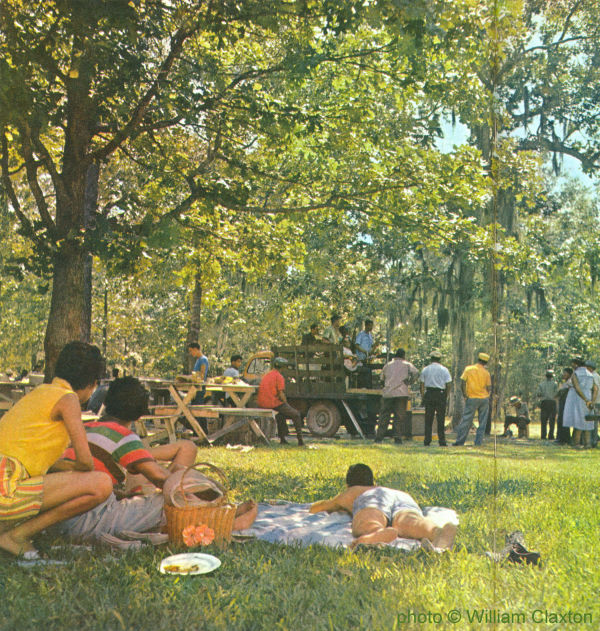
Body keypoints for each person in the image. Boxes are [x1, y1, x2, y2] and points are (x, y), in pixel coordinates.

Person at [0, 342, 112, 557]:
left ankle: (8, 530)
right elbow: (86, 462)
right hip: (6, 489)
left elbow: (36, 458)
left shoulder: (41, 392)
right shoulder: (68, 399)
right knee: (101, 483)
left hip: (6, 479)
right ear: (93, 383)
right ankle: (16, 536)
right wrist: (74, 471)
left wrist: (65, 470)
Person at [54, 376, 198, 540]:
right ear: (139, 415)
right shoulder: (124, 437)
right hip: (84, 522)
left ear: (106, 403)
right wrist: (199, 494)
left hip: (56, 519)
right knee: (170, 502)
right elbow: (162, 479)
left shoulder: (85, 428)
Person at [309, 463, 456, 550]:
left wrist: (337, 503)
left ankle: (376, 533)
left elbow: (318, 508)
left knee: (367, 522)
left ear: (348, 484)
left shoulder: (356, 491)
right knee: (409, 522)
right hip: (404, 498)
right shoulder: (388, 489)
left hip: (375, 498)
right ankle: (437, 532)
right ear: (373, 481)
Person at [257, 358, 304, 446]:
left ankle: (283, 439)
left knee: (281, 416)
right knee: (296, 414)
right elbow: (281, 394)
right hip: (272, 403)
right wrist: (286, 403)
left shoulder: (267, 375)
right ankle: (300, 441)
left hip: (262, 403)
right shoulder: (279, 376)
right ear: (282, 367)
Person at [375, 348, 418, 444]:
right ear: (403, 356)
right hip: (401, 393)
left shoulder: (387, 365)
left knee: (384, 416)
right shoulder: (407, 364)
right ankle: (397, 437)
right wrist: (410, 381)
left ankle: (379, 437)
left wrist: (385, 385)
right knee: (399, 416)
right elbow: (416, 373)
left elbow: (381, 378)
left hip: (388, 394)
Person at [453, 352, 492, 446]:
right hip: (484, 399)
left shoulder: (468, 369)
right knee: (482, 422)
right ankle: (478, 442)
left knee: (466, 420)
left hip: (472, 398)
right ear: (486, 362)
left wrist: (465, 395)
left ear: (478, 359)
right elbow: (489, 387)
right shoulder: (486, 373)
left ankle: (460, 441)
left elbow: (462, 382)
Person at [419, 350, 451, 446]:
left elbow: (422, 384)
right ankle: (442, 440)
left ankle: (427, 440)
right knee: (440, 419)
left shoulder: (425, 369)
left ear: (431, 359)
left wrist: (423, 395)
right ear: (439, 359)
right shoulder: (444, 369)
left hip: (429, 393)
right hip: (440, 394)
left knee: (428, 418)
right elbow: (448, 384)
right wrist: (446, 395)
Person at [563, 358, 597, 449]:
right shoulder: (590, 374)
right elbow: (595, 389)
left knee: (578, 420)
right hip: (589, 397)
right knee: (588, 420)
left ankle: (576, 443)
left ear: (576, 365)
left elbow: (577, 388)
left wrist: (585, 400)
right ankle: (588, 444)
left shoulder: (576, 374)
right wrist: (592, 401)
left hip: (579, 399)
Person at [536, 370, 557, 440]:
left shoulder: (541, 384)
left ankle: (543, 435)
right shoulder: (555, 384)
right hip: (552, 402)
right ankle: (551, 435)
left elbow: (538, 393)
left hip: (544, 402)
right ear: (552, 376)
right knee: (552, 420)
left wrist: (543, 395)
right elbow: (557, 394)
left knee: (544, 420)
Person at [555, 367, 573, 444]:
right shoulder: (564, 383)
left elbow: (564, 392)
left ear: (569, 374)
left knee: (564, 420)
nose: (563, 374)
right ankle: (560, 437)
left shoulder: (570, 382)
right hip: (562, 402)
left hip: (566, 402)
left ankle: (564, 438)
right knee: (560, 420)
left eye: (565, 373)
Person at [584, 360, 600, 448]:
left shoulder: (594, 376)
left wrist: (592, 402)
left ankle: (593, 441)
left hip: (596, 402)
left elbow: (595, 389)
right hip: (595, 401)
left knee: (593, 422)